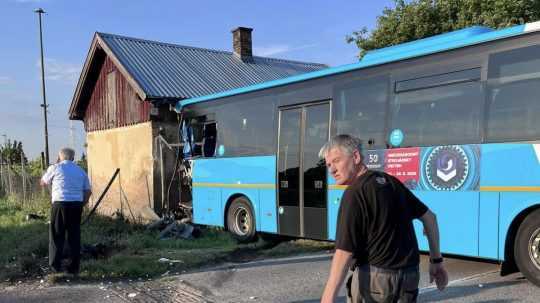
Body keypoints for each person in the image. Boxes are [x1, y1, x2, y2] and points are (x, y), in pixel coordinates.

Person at [320, 135, 448, 303]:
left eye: (336, 161)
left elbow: (344, 252)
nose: (331, 170)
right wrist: (436, 262)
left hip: (376, 282)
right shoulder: (391, 182)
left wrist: (327, 298)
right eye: (328, 164)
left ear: (356, 157)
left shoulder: (354, 193)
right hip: (409, 277)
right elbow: (430, 218)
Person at [40, 148, 91, 275]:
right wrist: (81, 204)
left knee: (57, 235)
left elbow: (42, 182)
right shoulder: (81, 171)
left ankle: (55, 267)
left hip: (60, 204)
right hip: (76, 205)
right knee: (74, 236)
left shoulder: (55, 168)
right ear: (73, 158)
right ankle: (74, 268)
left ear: (59, 157)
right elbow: (88, 191)